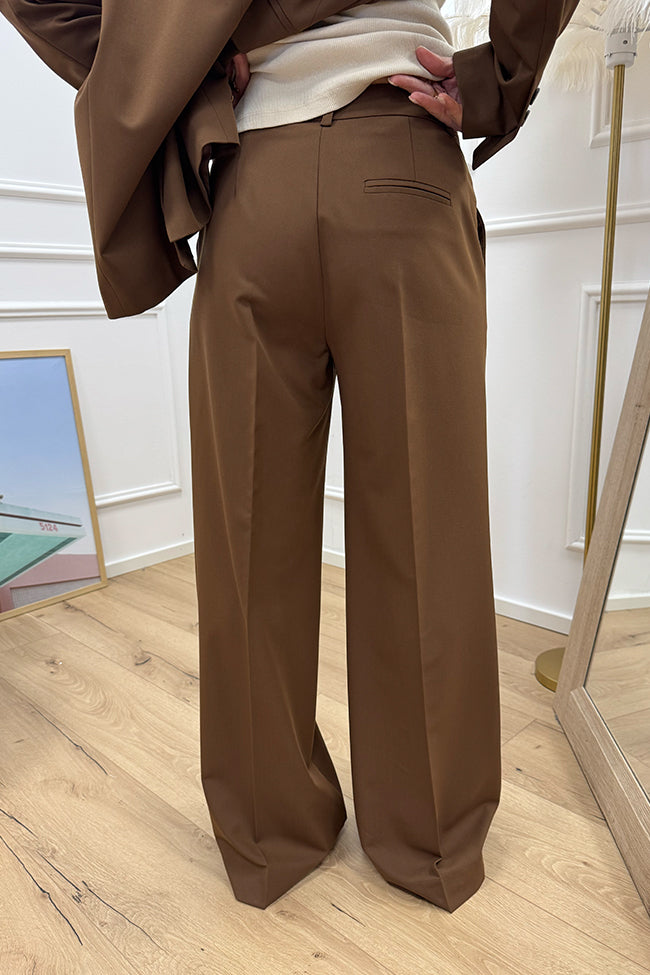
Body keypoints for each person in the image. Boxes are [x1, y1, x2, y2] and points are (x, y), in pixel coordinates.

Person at [0, 0, 580, 913]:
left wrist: (169, 69)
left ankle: (269, 837)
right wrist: (499, 80)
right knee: (426, 531)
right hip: (400, 161)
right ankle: (429, 840)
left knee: (247, 539)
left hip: (251, 190)